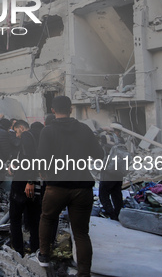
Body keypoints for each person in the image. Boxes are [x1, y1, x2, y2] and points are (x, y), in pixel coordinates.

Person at [37, 96, 103, 276]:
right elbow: (99, 155)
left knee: (47, 218)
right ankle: (84, 272)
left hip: (56, 187)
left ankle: (44, 256)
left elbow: (41, 160)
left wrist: (45, 174)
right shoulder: (84, 129)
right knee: (81, 233)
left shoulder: (47, 131)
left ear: (52, 110)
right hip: (82, 187)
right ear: (71, 109)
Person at [8, 120, 42, 256]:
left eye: (17, 131)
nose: (17, 135)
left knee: (15, 218)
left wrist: (29, 181)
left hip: (23, 183)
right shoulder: (41, 136)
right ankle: (36, 250)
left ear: (21, 128)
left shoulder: (27, 135)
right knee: (35, 219)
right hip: (37, 183)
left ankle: (18, 250)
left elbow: (28, 158)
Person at [99, 125, 125, 221]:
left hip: (109, 172)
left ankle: (112, 215)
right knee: (116, 194)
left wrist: (103, 128)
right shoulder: (122, 141)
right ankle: (119, 214)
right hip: (119, 172)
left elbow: (94, 135)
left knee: (103, 195)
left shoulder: (106, 139)